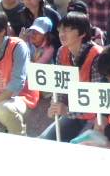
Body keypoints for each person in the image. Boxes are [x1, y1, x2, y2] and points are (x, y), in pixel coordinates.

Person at [41, 12, 103, 142]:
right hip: (73, 113)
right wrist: (55, 104)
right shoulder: (61, 51)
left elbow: (98, 100)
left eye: (67, 30)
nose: (62, 34)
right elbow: (60, 87)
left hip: (98, 118)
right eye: (60, 30)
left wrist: (66, 110)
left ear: (82, 33)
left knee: (78, 144)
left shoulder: (97, 55)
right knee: (46, 140)